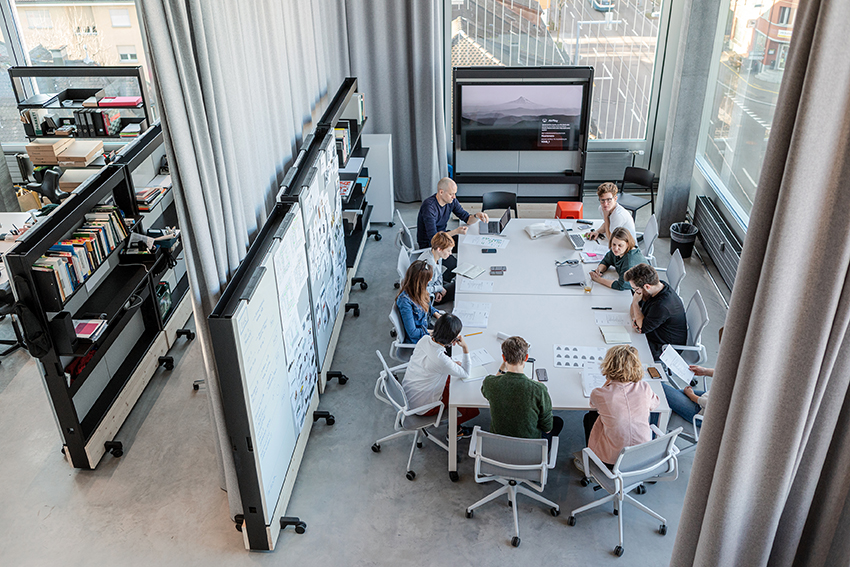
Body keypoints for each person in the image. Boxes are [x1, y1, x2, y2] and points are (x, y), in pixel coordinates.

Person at [579, 345, 660, 470]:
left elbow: (593, 405)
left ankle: (591, 459)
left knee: (590, 417)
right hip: (642, 458)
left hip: (610, 461)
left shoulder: (600, 394)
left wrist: (609, 381)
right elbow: (655, 404)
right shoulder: (644, 387)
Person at [402, 314, 480, 438]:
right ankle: (454, 429)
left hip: (408, 395)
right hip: (424, 407)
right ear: (452, 340)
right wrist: (465, 348)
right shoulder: (441, 359)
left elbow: (432, 363)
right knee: (466, 399)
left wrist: (451, 364)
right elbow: (465, 372)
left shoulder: (424, 339)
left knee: (453, 379)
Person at [481, 336, 563, 450]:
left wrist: (501, 370)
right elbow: (547, 428)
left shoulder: (490, 383)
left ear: (504, 358)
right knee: (558, 422)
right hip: (529, 450)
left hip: (499, 447)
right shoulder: (538, 389)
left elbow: (488, 389)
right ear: (526, 357)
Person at [416, 177, 489, 278]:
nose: (454, 197)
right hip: (431, 244)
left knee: (466, 242)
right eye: (451, 194)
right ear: (441, 192)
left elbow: (467, 218)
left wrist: (477, 216)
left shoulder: (451, 201)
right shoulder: (429, 207)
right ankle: (442, 282)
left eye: (455, 193)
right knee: (455, 266)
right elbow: (434, 238)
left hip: (443, 235)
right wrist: (456, 231)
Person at [624, 263, 688, 361]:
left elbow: (642, 327)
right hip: (655, 334)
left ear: (647, 286)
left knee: (623, 355)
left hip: (664, 348)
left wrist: (635, 302)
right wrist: (635, 318)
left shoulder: (662, 306)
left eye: (636, 290)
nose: (636, 293)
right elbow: (637, 319)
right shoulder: (658, 286)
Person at [588, 227, 647, 291]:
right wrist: (599, 270)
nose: (616, 248)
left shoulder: (629, 262)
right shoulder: (619, 251)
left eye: (620, 245)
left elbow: (621, 285)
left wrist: (598, 280)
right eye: (613, 244)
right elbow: (607, 260)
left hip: (642, 291)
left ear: (627, 244)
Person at [395, 260, 440, 343]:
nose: (430, 280)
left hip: (427, 327)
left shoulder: (420, 290)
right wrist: (436, 333)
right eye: (428, 279)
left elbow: (428, 306)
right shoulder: (405, 301)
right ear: (420, 282)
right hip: (421, 339)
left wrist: (438, 315)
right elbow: (413, 333)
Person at [418, 232, 455, 305]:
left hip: (433, 287)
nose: (450, 253)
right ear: (439, 249)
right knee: (456, 288)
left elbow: (439, 275)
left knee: (456, 285)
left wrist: (439, 289)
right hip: (426, 297)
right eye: (448, 251)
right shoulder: (428, 265)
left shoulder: (436, 255)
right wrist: (439, 289)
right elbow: (422, 289)